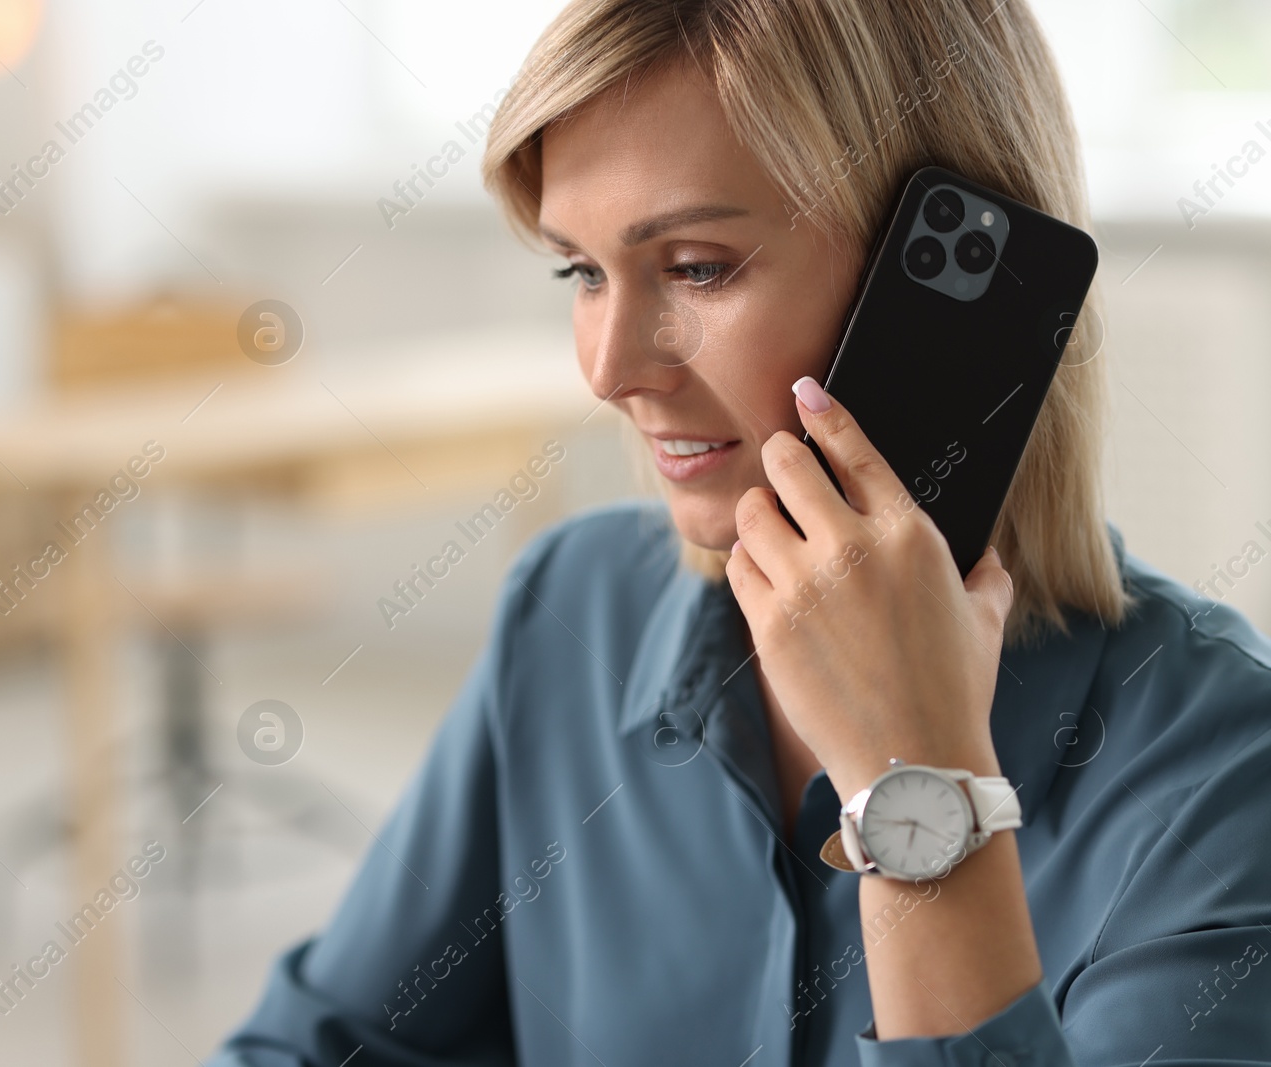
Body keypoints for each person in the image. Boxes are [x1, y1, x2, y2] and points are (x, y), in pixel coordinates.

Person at [209, 2, 1271, 1063]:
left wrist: (923, 791)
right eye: (580, 271)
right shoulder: (571, 613)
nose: (609, 369)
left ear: (963, 293)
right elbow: (321, 1043)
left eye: (697, 266)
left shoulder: (1220, 765)